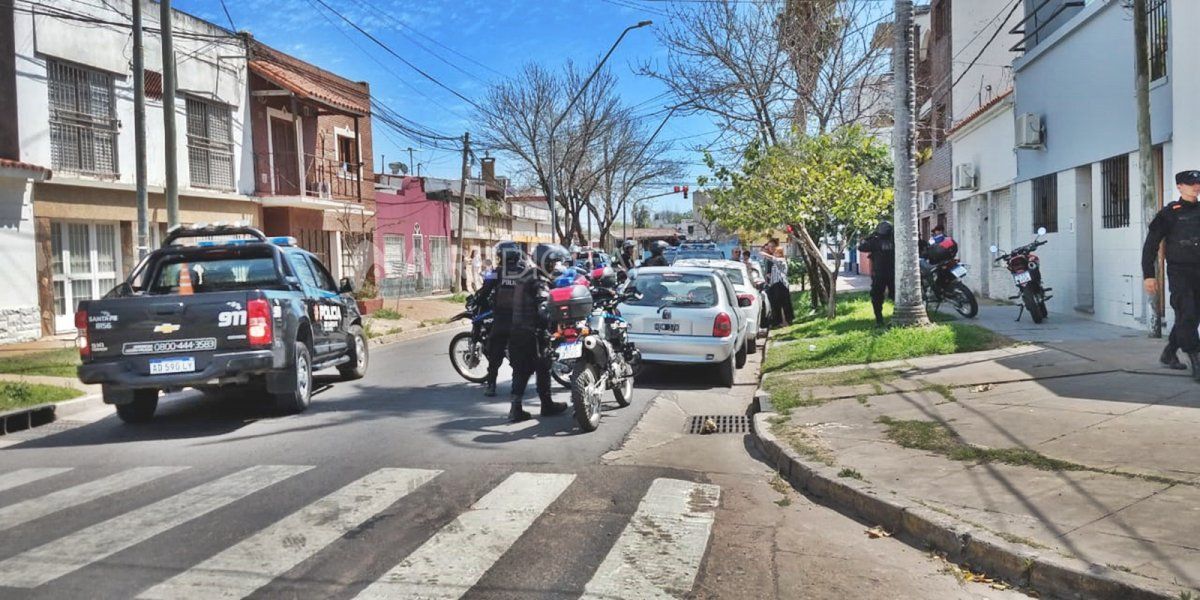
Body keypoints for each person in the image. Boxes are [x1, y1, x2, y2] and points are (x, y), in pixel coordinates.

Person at [1142, 170, 1200, 377]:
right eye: (1190, 183)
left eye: (1198, 183)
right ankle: (1196, 357)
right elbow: (1150, 246)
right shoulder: (1169, 213)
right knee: (1188, 312)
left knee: (1190, 316)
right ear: (1179, 187)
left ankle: (1169, 353)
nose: (1196, 186)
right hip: (1179, 272)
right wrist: (1148, 275)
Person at [503, 243, 570, 422]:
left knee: (520, 370)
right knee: (543, 367)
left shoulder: (525, 274)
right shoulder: (539, 280)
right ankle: (546, 404)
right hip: (533, 333)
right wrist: (556, 318)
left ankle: (515, 409)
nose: (554, 267)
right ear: (545, 262)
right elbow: (543, 307)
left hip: (517, 330)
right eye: (552, 263)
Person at [484, 241, 522, 398]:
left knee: (495, 353)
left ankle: (491, 385)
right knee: (519, 355)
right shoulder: (525, 271)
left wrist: (476, 299)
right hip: (520, 321)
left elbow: (484, 289)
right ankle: (516, 388)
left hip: (501, 320)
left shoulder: (495, 272)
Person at [858, 221, 896, 327]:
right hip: (893, 273)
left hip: (880, 274)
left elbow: (861, 247)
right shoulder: (895, 240)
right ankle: (894, 317)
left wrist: (869, 237)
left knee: (877, 297)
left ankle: (879, 320)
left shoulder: (875, 241)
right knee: (895, 296)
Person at [766, 247, 793, 327]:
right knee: (776, 304)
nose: (774, 253)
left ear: (780, 253)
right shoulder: (776, 262)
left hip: (781, 284)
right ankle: (778, 321)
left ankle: (788, 320)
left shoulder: (781, 260)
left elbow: (773, 259)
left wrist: (764, 254)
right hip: (775, 284)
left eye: (776, 252)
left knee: (785, 303)